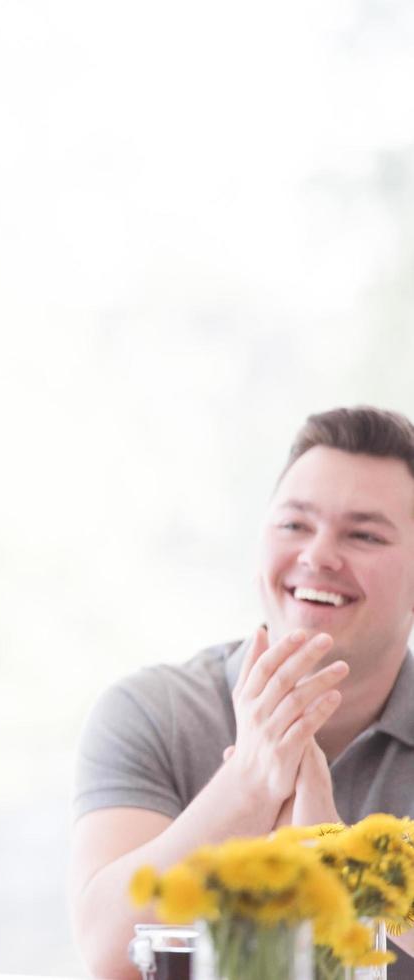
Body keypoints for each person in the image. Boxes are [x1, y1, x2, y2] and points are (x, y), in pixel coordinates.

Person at [70, 406, 414, 978]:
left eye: (364, 534)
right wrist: (250, 785)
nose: (318, 555)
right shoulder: (152, 712)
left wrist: (330, 848)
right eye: (294, 525)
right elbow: (111, 954)